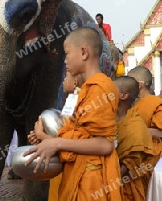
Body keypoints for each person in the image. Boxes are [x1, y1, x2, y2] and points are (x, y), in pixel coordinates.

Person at [24, 27, 122, 200]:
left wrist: (55, 143)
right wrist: (45, 138)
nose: (65, 60)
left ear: (84, 52)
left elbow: (104, 145)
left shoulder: (99, 88)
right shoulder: (87, 90)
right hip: (79, 173)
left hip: (91, 181)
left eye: (67, 53)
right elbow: (79, 134)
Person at [28, 70, 84, 201]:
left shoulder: (83, 106)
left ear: (75, 82)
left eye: (65, 77)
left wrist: (42, 135)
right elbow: (62, 136)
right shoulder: (70, 102)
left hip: (75, 172)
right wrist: (40, 139)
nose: (63, 81)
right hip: (62, 170)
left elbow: (74, 147)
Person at [127, 66, 162, 170]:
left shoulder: (156, 103)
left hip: (149, 153)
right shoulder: (133, 103)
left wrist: (143, 131)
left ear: (139, 85)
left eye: (129, 83)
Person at [114, 76, 154, 201]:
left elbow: (127, 167)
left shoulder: (135, 126)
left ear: (124, 95)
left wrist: (103, 184)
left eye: (111, 90)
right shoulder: (106, 117)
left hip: (122, 185)